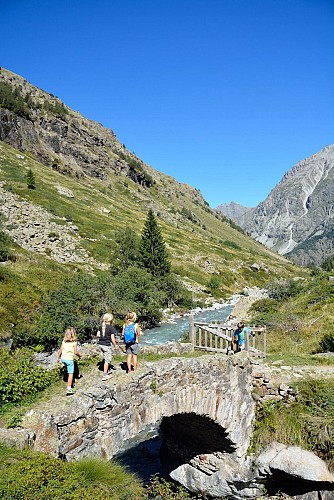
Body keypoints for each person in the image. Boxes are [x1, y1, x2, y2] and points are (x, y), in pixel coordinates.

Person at [57, 327, 81, 395]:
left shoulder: (63, 341)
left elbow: (60, 350)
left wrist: (58, 358)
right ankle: (69, 388)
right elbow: (75, 352)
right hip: (69, 360)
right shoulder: (74, 342)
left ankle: (65, 377)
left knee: (67, 369)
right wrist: (80, 356)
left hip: (63, 358)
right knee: (71, 374)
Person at [97, 313, 119, 381]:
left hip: (101, 344)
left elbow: (97, 335)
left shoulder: (101, 326)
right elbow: (112, 338)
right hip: (106, 345)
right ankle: (105, 375)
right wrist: (115, 345)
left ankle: (107, 370)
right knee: (107, 360)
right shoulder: (111, 328)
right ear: (111, 320)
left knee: (105, 357)